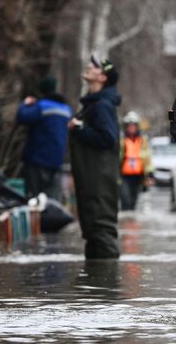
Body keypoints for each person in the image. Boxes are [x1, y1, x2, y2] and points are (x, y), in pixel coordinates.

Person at [68, 55, 122, 259]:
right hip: (92, 181)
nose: (89, 67)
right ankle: (96, 285)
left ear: (103, 78)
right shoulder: (94, 104)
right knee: (92, 232)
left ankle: (107, 286)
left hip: (99, 183)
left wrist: (79, 128)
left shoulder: (102, 106)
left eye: (95, 66)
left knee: (101, 231)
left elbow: (108, 138)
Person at [16, 76, 72, 199]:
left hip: (37, 160)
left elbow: (22, 117)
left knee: (34, 200)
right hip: (57, 161)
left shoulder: (41, 106)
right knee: (52, 200)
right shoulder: (67, 109)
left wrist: (24, 104)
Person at [119, 111, 153, 211]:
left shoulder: (143, 141)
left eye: (133, 126)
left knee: (134, 201)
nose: (131, 128)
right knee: (125, 200)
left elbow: (147, 157)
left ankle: (130, 222)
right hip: (124, 176)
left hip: (138, 176)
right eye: (129, 126)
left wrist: (150, 173)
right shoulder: (121, 140)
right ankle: (125, 221)